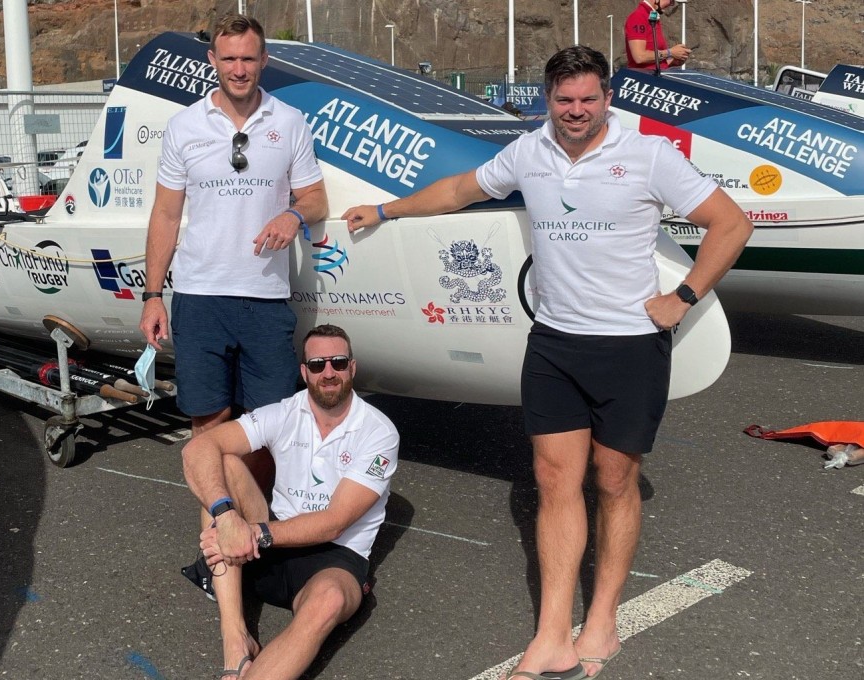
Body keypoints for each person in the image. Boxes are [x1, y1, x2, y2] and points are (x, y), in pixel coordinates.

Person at [342, 45, 751, 680]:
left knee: (615, 482)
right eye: (565, 100)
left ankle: (605, 619)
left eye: (589, 99)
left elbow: (729, 223)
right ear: (547, 99)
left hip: (630, 347)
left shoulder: (648, 156)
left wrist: (684, 297)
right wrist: (386, 210)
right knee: (555, 481)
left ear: (608, 97)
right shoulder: (530, 151)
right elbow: (459, 189)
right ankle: (553, 631)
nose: (577, 111)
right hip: (555, 344)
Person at [139, 13, 327, 440]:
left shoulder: (290, 121)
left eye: (248, 58)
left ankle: (256, 509)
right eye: (228, 59)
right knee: (208, 421)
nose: (238, 70)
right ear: (213, 60)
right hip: (200, 297)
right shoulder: (184, 126)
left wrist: (292, 214)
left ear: (264, 59)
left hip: (265, 298)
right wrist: (152, 296)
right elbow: (165, 215)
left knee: (268, 427)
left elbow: (315, 199)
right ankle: (218, 510)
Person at [181, 324, 399, 679]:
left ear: (352, 368)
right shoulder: (284, 412)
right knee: (220, 469)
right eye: (317, 365)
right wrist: (227, 517)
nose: (328, 372)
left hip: (335, 556)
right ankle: (235, 640)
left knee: (328, 601)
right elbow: (198, 449)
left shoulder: (379, 431)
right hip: (272, 538)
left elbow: (335, 521)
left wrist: (251, 533)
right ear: (304, 372)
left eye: (338, 362)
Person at [624, 0, 691, 71]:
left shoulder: (652, 17)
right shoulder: (638, 17)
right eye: (671, 1)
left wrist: (672, 61)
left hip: (655, 75)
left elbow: (653, 61)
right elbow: (639, 57)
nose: (671, 4)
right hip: (643, 77)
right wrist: (670, 53)